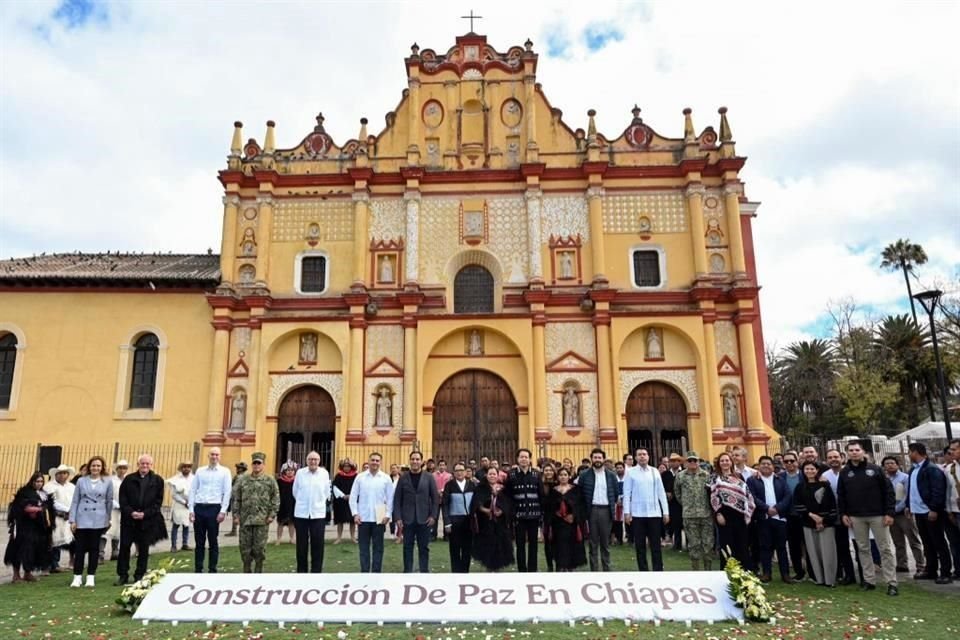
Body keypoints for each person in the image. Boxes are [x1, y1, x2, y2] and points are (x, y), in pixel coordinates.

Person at [836, 441, 898, 596]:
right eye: (851, 450)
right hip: (856, 517)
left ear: (863, 452)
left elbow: (888, 492)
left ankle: (891, 582)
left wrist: (889, 513)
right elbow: (841, 495)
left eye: (857, 450)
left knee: (885, 549)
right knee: (863, 549)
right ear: (847, 453)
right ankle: (869, 580)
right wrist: (843, 514)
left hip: (878, 515)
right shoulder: (845, 472)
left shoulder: (875, 469)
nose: (854, 452)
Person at [905, 442, 953, 584]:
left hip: (930, 511)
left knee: (938, 542)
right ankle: (931, 569)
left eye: (909, 452)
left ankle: (946, 572)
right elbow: (912, 490)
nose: (908, 455)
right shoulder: (913, 470)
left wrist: (934, 508)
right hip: (918, 511)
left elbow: (938, 490)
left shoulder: (931, 469)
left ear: (915, 452)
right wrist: (908, 505)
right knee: (927, 542)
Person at [115, 454, 166, 586]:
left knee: (143, 549)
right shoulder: (129, 479)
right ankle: (123, 575)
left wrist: (145, 514)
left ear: (151, 465)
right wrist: (131, 512)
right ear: (138, 464)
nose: (145, 466)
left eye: (147, 464)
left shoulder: (157, 480)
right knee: (125, 548)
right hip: (129, 521)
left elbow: (158, 502)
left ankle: (139, 575)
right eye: (142, 463)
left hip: (146, 521)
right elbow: (123, 499)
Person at [747, 455, 794, 583]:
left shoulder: (780, 479)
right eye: (763, 463)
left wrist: (777, 508)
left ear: (773, 466)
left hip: (779, 518)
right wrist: (767, 508)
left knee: (782, 547)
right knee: (765, 547)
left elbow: (787, 496)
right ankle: (766, 573)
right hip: (763, 517)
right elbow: (752, 497)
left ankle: (785, 574)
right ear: (759, 466)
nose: (766, 466)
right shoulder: (752, 480)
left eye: (768, 463)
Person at [68, 456, 113, 588]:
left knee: (94, 549)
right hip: (82, 518)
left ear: (102, 467)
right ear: (89, 467)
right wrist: (72, 520)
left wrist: (108, 518)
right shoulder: (81, 481)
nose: (96, 468)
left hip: (98, 518)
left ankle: (90, 576)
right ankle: (77, 577)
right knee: (80, 548)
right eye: (93, 465)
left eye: (98, 466)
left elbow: (109, 501)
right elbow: (75, 501)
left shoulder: (107, 482)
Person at [623, 448, 670, 571]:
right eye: (639, 455)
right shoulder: (631, 472)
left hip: (654, 514)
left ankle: (658, 570)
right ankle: (643, 571)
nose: (642, 457)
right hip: (638, 514)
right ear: (636, 458)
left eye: (644, 454)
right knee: (640, 545)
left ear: (648, 456)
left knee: (656, 545)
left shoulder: (655, 472)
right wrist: (627, 513)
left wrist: (665, 512)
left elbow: (661, 493)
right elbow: (627, 493)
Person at [793, 460, 838, 587]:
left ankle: (830, 580)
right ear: (803, 471)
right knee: (813, 552)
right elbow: (798, 505)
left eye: (812, 469)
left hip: (826, 524)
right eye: (807, 469)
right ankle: (819, 578)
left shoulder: (825, 486)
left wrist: (822, 520)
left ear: (817, 470)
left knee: (828, 552)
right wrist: (812, 516)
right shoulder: (800, 487)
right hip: (808, 523)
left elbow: (831, 505)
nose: (809, 471)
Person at [393, 451, 439, 573]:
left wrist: (433, 516)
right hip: (407, 519)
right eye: (413, 459)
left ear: (422, 462)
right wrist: (397, 517)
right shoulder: (403, 478)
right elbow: (397, 499)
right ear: (410, 461)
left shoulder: (429, 477)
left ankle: (424, 571)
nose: (415, 461)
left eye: (417, 459)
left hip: (424, 519)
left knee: (424, 547)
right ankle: (408, 571)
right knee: (407, 547)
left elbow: (435, 498)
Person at [235, 452, 280, 573]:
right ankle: (246, 569)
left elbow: (275, 498)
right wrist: (236, 515)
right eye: (254, 463)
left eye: (259, 463)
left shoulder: (270, 480)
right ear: (251, 465)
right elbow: (237, 498)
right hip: (246, 519)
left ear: (263, 465)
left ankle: (259, 570)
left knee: (259, 548)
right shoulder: (243, 480)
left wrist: (272, 515)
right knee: (245, 548)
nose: (256, 465)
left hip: (262, 520)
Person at [188, 447, 232, 573]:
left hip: (214, 507)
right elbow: (193, 490)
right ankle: (198, 568)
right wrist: (191, 509)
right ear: (208, 456)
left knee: (213, 540)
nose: (214, 457)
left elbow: (227, 492)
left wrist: (223, 510)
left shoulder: (225, 472)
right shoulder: (200, 471)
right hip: (200, 507)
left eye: (217, 455)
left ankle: (212, 568)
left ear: (220, 456)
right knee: (199, 541)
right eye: (212, 454)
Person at [350, 452, 394, 573]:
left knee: (378, 547)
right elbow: (353, 496)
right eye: (372, 460)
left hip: (379, 516)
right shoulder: (360, 477)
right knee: (363, 548)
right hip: (363, 516)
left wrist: (388, 514)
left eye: (377, 460)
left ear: (380, 462)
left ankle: (376, 572)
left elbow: (390, 498)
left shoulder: (385, 478)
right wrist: (355, 513)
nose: (374, 462)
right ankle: (364, 572)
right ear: (368, 462)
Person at [4, 472, 52, 582]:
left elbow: (48, 508)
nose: (39, 484)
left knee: (32, 550)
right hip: (23, 527)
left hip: (37, 527)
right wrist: (37, 510)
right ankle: (16, 575)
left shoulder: (43, 494)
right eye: (37, 481)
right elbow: (20, 507)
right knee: (18, 550)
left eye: (41, 481)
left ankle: (27, 573)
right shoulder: (24, 492)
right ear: (32, 481)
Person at [710, 451, 755, 568]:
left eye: (727, 460)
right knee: (726, 547)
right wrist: (718, 514)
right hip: (724, 517)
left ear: (731, 462)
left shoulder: (739, 477)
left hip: (740, 516)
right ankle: (728, 575)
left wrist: (747, 514)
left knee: (742, 546)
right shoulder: (715, 478)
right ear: (719, 464)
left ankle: (744, 576)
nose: (725, 463)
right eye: (722, 461)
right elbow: (712, 497)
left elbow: (747, 495)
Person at [882, 456, 925, 575]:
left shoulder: (905, 478)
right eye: (887, 463)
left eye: (892, 463)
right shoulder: (884, 479)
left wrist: (897, 508)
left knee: (913, 539)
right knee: (898, 541)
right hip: (891, 515)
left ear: (898, 464)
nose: (890, 465)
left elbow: (908, 495)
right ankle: (902, 564)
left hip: (904, 514)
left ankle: (920, 564)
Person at [577, 447, 618, 571]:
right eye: (595, 457)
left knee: (605, 543)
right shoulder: (584, 475)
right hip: (592, 511)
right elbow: (580, 494)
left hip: (606, 510)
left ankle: (607, 569)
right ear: (591, 459)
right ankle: (594, 570)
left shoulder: (611, 475)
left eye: (599, 457)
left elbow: (615, 493)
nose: (597, 459)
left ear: (604, 459)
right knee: (593, 543)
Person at [674, 451, 714, 570]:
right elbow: (677, 492)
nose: (692, 463)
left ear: (698, 462)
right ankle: (696, 571)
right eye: (690, 460)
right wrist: (686, 504)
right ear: (686, 462)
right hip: (689, 515)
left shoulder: (706, 475)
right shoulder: (680, 476)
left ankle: (708, 570)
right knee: (693, 544)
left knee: (708, 544)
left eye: (695, 460)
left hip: (706, 514)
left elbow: (712, 492)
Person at [471, 466, 515, 572]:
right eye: (490, 474)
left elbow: (508, 504)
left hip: (500, 524)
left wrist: (502, 510)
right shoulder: (480, 488)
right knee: (487, 547)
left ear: (497, 475)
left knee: (499, 546)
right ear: (486, 475)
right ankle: (488, 568)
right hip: (485, 523)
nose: (492, 476)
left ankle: (498, 569)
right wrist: (485, 510)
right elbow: (476, 504)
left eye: (494, 474)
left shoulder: (503, 489)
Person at [505, 448, 542, 572]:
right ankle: (522, 570)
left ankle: (532, 570)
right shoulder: (511, 475)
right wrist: (511, 514)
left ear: (530, 459)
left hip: (534, 515)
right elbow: (508, 496)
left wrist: (541, 514)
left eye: (526, 457)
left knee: (533, 544)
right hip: (518, 516)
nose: (524, 459)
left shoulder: (537, 474)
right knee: (520, 544)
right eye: (521, 457)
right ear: (517, 459)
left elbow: (540, 494)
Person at [822, 448, 855, 585]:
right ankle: (846, 574)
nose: (833, 459)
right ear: (827, 460)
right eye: (830, 457)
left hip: (852, 513)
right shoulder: (824, 475)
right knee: (841, 546)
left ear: (841, 457)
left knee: (859, 545)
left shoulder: (849, 472)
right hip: (835, 515)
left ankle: (863, 575)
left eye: (836, 456)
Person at [547, 467, 587, 571]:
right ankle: (560, 567)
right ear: (558, 477)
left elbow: (581, 506)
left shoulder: (576, 489)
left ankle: (570, 568)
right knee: (559, 547)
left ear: (569, 476)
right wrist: (557, 514)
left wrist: (573, 515)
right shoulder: (553, 490)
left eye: (565, 475)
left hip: (572, 524)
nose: (563, 477)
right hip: (558, 524)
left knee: (571, 547)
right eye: (561, 475)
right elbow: (549, 508)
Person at [442, 461, 476, 573]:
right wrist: (447, 522)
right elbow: (445, 504)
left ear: (466, 472)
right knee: (455, 549)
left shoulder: (472, 485)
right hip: (454, 521)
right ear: (454, 473)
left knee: (467, 549)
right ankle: (456, 573)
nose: (459, 473)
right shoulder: (449, 485)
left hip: (468, 521)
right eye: (457, 470)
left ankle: (465, 572)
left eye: (461, 470)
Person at [44, 463, 76, 573]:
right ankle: (53, 564)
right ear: (56, 474)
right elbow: (52, 502)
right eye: (60, 473)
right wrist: (67, 510)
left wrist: (72, 511)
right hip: (56, 516)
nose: (62, 475)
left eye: (65, 473)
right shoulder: (49, 486)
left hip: (69, 517)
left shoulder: (72, 487)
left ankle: (71, 561)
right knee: (55, 539)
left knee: (69, 539)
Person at [780, 452, 807, 580]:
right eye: (786, 461)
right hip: (789, 516)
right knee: (793, 546)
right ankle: (799, 572)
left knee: (809, 545)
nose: (789, 463)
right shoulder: (779, 477)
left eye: (792, 460)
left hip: (806, 515)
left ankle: (813, 572)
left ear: (797, 461)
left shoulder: (805, 474)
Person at [102, 460, 127, 562]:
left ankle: (115, 551)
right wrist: (117, 505)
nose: (122, 470)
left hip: (124, 509)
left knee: (119, 530)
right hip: (112, 508)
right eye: (120, 468)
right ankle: (100, 553)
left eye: (124, 468)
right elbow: (108, 495)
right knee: (107, 530)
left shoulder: (128, 480)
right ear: (116, 469)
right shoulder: (111, 480)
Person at [166, 462, 193, 553]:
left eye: (188, 467)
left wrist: (191, 502)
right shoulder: (176, 479)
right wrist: (183, 502)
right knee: (176, 525)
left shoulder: (193, 478)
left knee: (186, 525)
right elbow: (174, 494)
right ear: (181, 468)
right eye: (184, 467)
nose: (186, 469)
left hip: (189, 505)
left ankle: (185, 544)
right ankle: (173, 545)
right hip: (179, 504)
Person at [944, 439, 960, 580]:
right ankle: (958, 570)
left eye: (954, 449)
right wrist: (948, 510)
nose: (951, 452)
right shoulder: (949, 469)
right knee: (954, 543)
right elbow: (947, 491)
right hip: (953, 511)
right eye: (951, 450)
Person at [662, 453, 684, 550]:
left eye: (677, 461)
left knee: (685, 523)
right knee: (675, 523)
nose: (674, 463)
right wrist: (666, 493)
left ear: (680, 462)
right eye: (672, 461)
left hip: (683, 502)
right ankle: (677, 544)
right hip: (671, 503)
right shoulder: (665, 474)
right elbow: (661, 487)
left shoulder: (683, 472)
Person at [333, 459, 358, 544]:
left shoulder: (356, 476)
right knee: (340, 520)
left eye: (348, 466)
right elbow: (334, 487)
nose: (346, 468)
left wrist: (351, 496)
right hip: (341, 501)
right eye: (345, 466)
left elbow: (358, 487)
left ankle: (353, 537)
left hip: (352, 500)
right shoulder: (338, 476)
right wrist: (343, 495)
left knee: (352, 520)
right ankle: (339, 538)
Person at [540, 463, 558, 571]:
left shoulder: (558, 484)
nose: (548, 472)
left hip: (558, 517)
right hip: (546, 517)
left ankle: (559, 563)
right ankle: (549, 565)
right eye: (546, 470)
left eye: (550, 470)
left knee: (558, 541)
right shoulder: (541, 485)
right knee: (547, 542)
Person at [276, 461, 297, 545]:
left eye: (292, 470)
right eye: (288, 470)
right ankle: (278, 539)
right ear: (284, 471)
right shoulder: (280, 481)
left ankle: (292, 538)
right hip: (282, 504)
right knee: (280, 522)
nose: (290, 471)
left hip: (292, 504)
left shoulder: (296, 481)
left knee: (291, 522)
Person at [225, 461, 247, 537]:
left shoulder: (240, 477)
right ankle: (235, 530)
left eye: (238, 468)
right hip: (239, 498)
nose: (237, 469)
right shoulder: (242, 476)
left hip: (238, 498)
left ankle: (235, 531)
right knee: (237, 514)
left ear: (242, 469)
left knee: (236, 514)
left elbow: (234, 487)